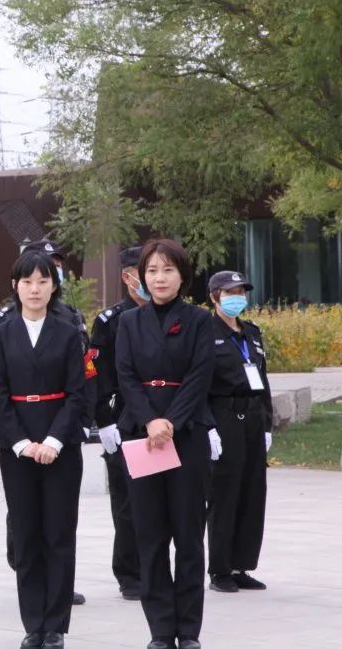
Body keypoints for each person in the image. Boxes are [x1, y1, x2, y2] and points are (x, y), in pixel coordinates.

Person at [114, 239, 218, 649]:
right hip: (145, 437)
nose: (159, 278)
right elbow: (124, 376)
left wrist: (171, 421)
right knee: (151, 535)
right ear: (141, 275)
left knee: (189, 536)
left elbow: (200, 376)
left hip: (186, 435)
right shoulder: (128, 323)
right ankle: (160, 630)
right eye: (152, 270)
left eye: (168, 270)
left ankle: (188, 630)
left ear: (182, 275)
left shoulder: (198, 320)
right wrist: (150, 420)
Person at [0, 238, 89, 607]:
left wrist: (55, 441)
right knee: (26, 534)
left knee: (59, 534)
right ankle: (33, 622)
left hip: (61, 444)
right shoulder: (1, 333)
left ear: (54, 285)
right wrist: (22, 443)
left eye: (43, 281)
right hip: (17, 447)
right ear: (15, 285)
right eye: (27, 281)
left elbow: (78, 393)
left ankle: (56, 624)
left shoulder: (69, 331)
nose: (35, 289)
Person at [205, 271, 273, 594]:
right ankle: (219, 569)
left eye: (241, 291)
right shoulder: (205, 332)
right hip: (223, 414)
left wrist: (268, 422)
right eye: (230, 292)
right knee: (225, 492)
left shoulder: (252, 333)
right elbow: (199, 384)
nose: (237, 297)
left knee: (252, 491)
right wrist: (207, 427)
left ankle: (241, 564)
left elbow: (264, 379)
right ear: (214, 296)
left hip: (253, 416)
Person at [88, 246, 147, 601]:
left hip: (158, 422)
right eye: (145, 271)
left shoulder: (165, 314)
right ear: (128, 276)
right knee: (127, 504)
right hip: (122, 420)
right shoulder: (110, 320)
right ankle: (129, 574)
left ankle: (153, 567)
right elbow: (93, 371)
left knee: (156, 501)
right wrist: (103, 420)